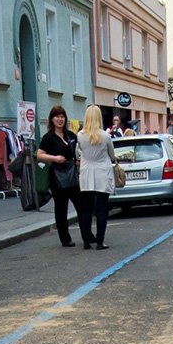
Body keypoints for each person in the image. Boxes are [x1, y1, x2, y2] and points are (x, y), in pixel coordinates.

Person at [36, 105, 81, 248]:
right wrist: (54, 158)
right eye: (57, 117)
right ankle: (65, 239)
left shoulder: (71, 135)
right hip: (57, 177)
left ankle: (87, 234)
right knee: (61, 209)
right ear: (52, 119)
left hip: (72, 175)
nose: (60, 119)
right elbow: (39, 155)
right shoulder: (48, 137)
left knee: (82, 206)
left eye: (62, 117)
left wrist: (78, 160)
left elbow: (77, 152)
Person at [75, 104, 116, 250]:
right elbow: (112, 155)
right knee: (101, 209)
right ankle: (100, 241)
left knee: (86, 209)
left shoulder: (80, 135)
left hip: (86, 173)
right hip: (102, 173)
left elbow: (77, 153)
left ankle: (87, 240)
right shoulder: (105, 136)